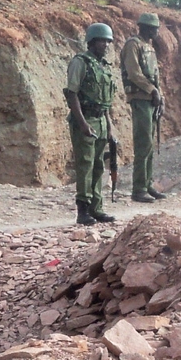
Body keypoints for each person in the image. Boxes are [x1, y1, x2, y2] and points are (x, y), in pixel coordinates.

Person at [64, 23, 117, 225]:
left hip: (101, 119)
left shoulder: (103, 66)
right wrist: (83, 124)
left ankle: (97, 208)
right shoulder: (80, 62)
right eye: (102, 41)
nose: (105, 45)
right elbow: (72, 94)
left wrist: (109, 126)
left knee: (98, 166)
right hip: (85, 118)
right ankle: (83, 210)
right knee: (85, 165)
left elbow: (105, 102)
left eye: (108, 41)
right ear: (92, 41)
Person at [120, 12, 166, 203]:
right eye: (153, 28)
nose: (156, 32)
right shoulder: (133, 45)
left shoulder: (149, 47)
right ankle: (138, 189)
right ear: (144, 28)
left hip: (150, 99)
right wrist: (152, 90)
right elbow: (134, 73)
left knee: (149, 144)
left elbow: (154, 75)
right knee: (143, 143)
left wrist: (159, 96)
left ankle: (147, 184)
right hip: (140, 98)